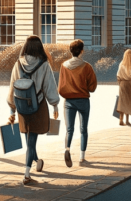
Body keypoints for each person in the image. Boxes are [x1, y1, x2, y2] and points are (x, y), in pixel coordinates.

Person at [7, 36, 60, 185]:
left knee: (29, 139)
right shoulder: (44, 64)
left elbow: (13, 85)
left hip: (22, 105)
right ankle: (26, 173)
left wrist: (12, 109)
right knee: (32, 140)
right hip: (38, 105)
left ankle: (37, 160)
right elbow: (49, 86)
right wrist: (55, 105)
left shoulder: (18, 63)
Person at [58, 39, 96, 169]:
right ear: (81, 51)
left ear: (70, 51)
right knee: (83, 129)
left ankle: (67, 149)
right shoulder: (87, 66)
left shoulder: (63, 66)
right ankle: (82, 156)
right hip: (83, 100)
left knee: (69, 129)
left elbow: (61, 87)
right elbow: (92, 87)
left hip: (68, 101)